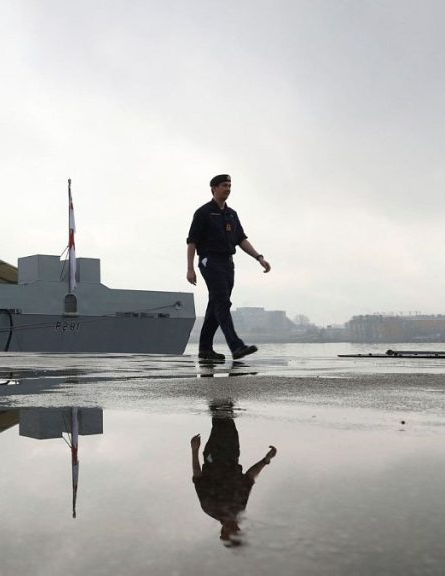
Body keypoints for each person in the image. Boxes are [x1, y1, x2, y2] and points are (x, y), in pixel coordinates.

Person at [186, 174, 271, 361]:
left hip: (227, 263)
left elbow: (241, 239)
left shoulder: (231, 214)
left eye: (230, 185)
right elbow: (192, 242)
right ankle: (236, 346)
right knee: (222, 302)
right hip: (209, 260)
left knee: (216, 304)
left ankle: (205, 349)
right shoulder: (203, 213)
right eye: (224, 185)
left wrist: (259, 257)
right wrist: (190, 268)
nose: (228, 188)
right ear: (213, 188)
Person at [191, 400, 277, 546]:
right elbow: (249, 478)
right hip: (232, 454)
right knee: (227, 419)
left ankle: (215, 384)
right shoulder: (239, 508)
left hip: (214, 457)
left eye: (233, 533)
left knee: (221, 419)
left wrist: (194, 450)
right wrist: (266, 460)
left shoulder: (210, 508)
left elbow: (198, 476)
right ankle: (220, 385)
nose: (236, 529)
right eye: (238, 532)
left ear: (223, 532)